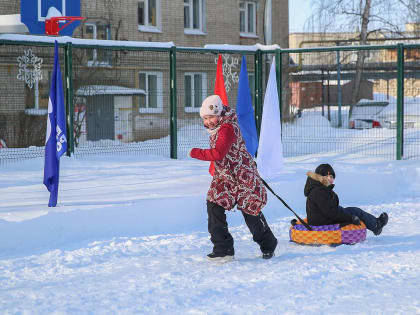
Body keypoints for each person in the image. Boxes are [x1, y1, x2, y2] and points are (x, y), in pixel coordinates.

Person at [189, 95, 278, 260]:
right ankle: (223, 249)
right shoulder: (218, 127)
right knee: (213, 204)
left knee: (251, 213)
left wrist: (196, 152)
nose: (208, 121)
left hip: (243, 177)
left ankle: (268, 244)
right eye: (205, 118)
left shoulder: (227, 128)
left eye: (211, 117)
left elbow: (218, 153)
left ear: (220, 113)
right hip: (225, 178)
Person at [304, 163, 388, 235]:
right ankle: (377, 225)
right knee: (355, 212)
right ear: (321, 176)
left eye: (332, 177)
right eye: (329, 176)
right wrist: (350, 218)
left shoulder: (318, 188)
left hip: (321, 218)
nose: (331, 179)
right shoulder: (319, 191)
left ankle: (376, 224)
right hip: (322, 221)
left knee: (352, 210)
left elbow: (329, 208)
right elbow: (330, 212)